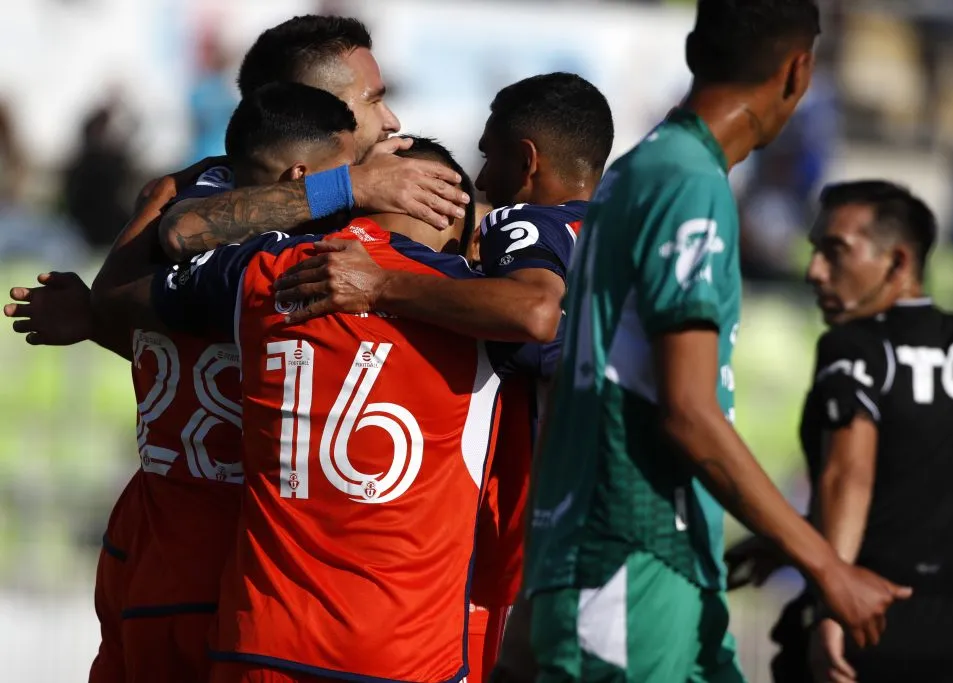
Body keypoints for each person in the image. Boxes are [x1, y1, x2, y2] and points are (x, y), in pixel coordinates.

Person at [521, 2, 911, 682]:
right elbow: (689, 410)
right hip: (630, 562)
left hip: (647, 563)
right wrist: (825, 564)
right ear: (799, 72)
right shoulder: (686, 184)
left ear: (697, 48)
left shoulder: (638, 172)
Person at [89, 135, 538, 683]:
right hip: (403, 654)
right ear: (452, 216)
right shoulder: (484, 311)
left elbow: (124, 292)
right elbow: (551, 322)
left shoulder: (266, 270)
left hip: (258, 641)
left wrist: (92, 310)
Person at [6, 82, 361, 683]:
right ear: (303, 170)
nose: (391, 121)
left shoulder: (173, 213)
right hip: (241, 569)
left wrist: (97, 319)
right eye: (374, 101)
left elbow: (152, 318)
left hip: (152, 549)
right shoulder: (281, 261)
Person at [266, 72, 614, 683]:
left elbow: (531, 315)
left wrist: (382, 284)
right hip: (627, 534)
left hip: (516, 552)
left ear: (526, 160)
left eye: (489, 156)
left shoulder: (523, 226)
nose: (481, 183)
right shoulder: (629, 236)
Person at [730, 181, 953, 683]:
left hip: (869, 620)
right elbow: (913, 479)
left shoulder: (852, 348)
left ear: (898, 263)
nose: (814, 270)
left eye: (834, 252)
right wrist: (790, 538)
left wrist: (832, 608)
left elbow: (848, 475)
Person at [159, 14, 469, 263]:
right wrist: (354, 185)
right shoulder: (222, 182)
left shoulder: (398, 179)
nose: (392, 122)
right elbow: (183, 232)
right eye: (372, 101)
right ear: (312, 108)